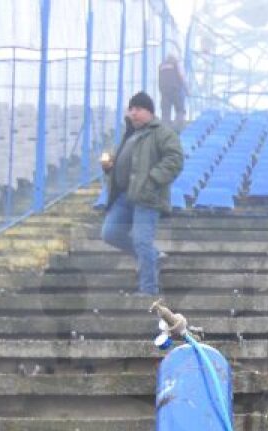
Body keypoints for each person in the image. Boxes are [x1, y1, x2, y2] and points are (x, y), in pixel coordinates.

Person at [100, 92, 184, 296]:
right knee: (109, 233)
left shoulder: (162, 132)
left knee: (141, 241)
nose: (133, 113)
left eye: (138, 109)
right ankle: (153, 256)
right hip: (123, 196)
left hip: (147, 198)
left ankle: (148, 290)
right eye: (131, 109)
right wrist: (109, 167)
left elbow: (175, 159)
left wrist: (152, 180)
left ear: (149, 112)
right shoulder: (128, 134)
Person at [158, 54, 188, 130]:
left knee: (165, 114)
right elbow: (182, 76)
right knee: (180, 110)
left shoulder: (161, 66)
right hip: (175, 90)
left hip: (164, 91)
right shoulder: (176, 64)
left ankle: (165, 131)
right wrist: (187, 89)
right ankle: (177, 127)